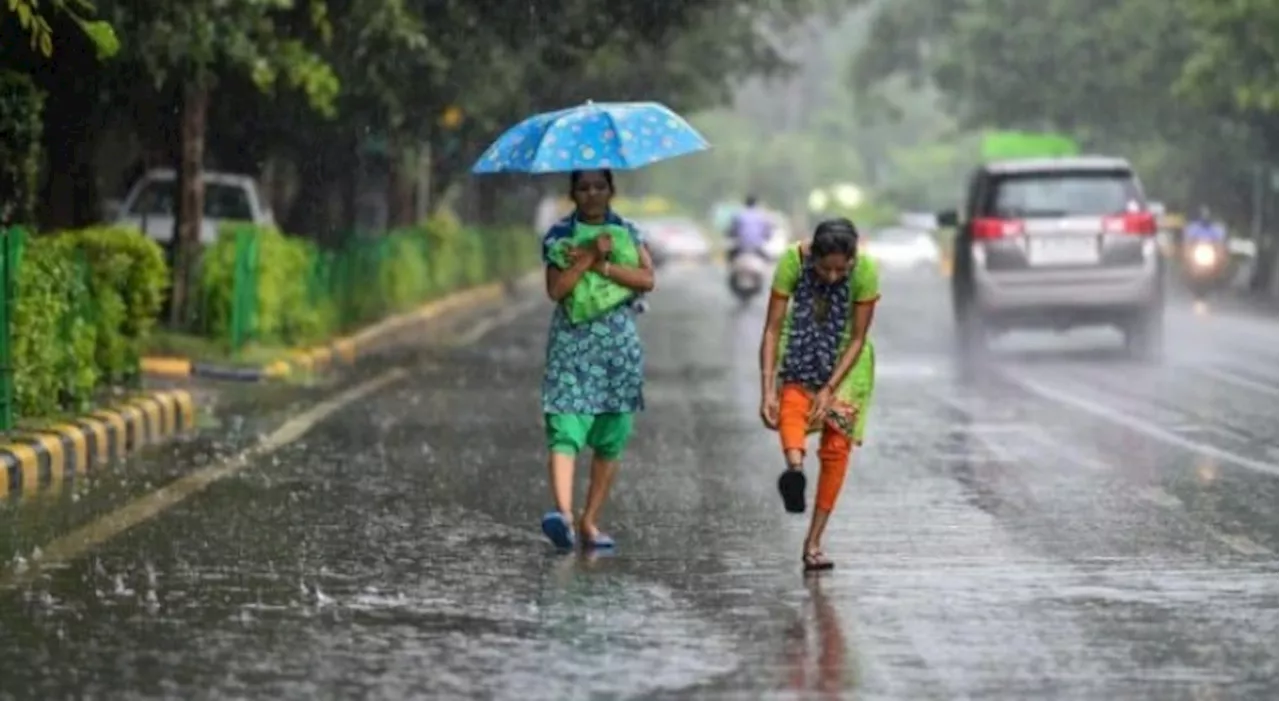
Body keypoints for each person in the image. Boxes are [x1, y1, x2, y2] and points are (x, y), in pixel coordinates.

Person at [539, 168, 656, 551]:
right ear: (572, 192)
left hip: (617, 348)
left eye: (599, 187)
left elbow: (646, 279)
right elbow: (557, 290)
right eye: (584, 188)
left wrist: (604, 264)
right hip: (572, 345)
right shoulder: (559, 236)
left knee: (611, 435)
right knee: (565, 424)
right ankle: (564, 517)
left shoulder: (628, 231)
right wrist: (586, 257)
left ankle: (590, 521)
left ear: (611, 190)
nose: (592, 194)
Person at [758, 218, 879, 572]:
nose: (831, 277)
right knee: (790, 406)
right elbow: (773, 328)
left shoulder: (866, 271)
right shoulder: (791, 262)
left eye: (841, 269)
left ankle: (813, 543)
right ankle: (794, 471)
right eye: (824, 269)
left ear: (853, 260)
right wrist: (767, 389)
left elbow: (857, 338)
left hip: (848, 363)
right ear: (812, 256)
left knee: (836, 448)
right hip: (800, 348)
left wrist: (829, 389)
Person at [726, 195, 775, 261]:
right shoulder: (762, 216)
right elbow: (768, 233)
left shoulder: (739, 215)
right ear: (756, 203)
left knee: (729, 259)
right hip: (757, 248)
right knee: (769, 261)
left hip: (742, 248)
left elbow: (732, 231)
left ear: (745, 203)